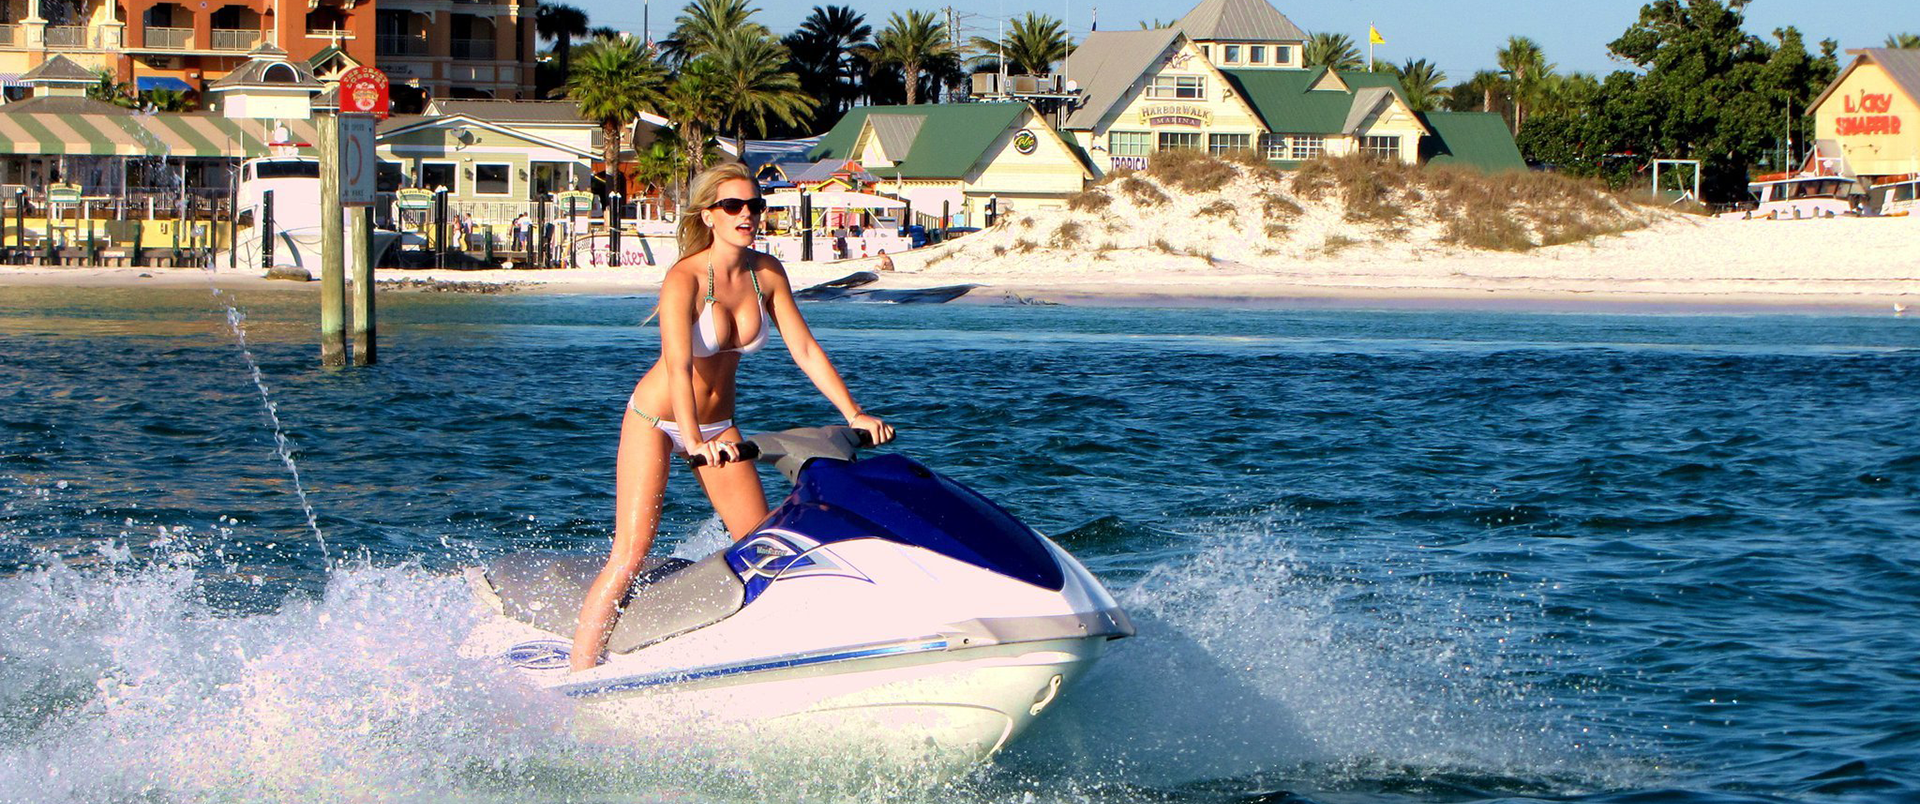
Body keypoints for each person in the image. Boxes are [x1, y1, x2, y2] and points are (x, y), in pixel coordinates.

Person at [571, 162, 894, 671]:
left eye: (755, 206)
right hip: (657, 420)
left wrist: (854, 412)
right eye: (734, 206)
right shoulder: (685, 278)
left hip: (719, 427)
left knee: (764, 545)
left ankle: (769, 653)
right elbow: (678, 366)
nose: (748, 215)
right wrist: (694, 441)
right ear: (710, 215)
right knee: (630, 553)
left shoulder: (767, 274)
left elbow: (805, 349)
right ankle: (580, 670)